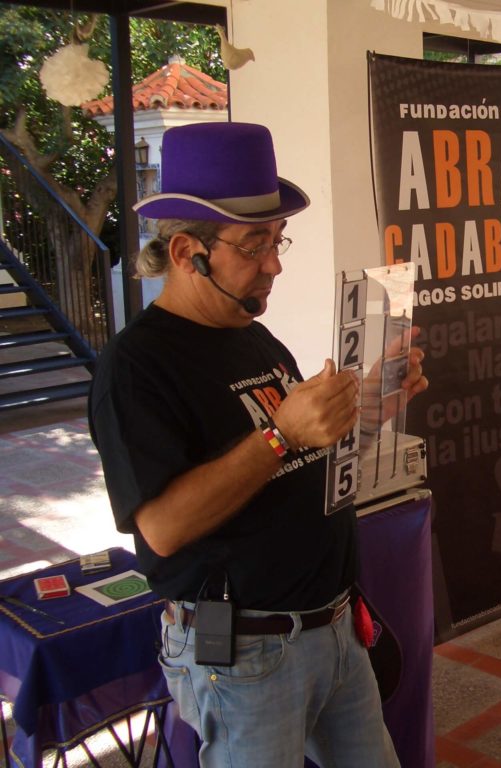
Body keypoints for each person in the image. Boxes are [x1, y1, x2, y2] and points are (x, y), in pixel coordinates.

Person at [89, 121, 427, 766]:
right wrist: (278, 435)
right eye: (253, 246)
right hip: (244, 654)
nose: (273, 264)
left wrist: (371, 409)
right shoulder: (136, 368)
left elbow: (297, 456)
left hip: (331, 628)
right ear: (188, 251)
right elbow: (162, 527)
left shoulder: (252, 335)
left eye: (277, 241)